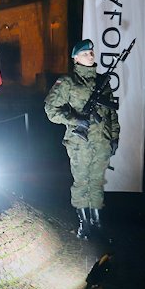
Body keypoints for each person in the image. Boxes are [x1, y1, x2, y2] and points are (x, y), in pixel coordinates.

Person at [44, 39, 120, 239]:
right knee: (81, 182)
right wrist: (75, 120)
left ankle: (96, 221)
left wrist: (114, 137)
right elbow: (51, 109)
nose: (91, 55)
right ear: (75, 58)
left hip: (102, 141)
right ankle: (83, 223)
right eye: (86, 53)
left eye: (92, 52)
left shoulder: (102, 81)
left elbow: (111, 113)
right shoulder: (68, 82)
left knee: (96, 182)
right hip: (79, 143)